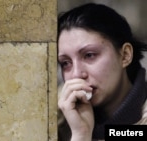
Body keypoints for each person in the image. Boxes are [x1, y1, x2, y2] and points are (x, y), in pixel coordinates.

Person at [57, 3, 147, 141]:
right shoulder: (56, 119)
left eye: (89, 55)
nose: (76, 74)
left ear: (125, 55)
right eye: (65, 63)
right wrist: (81, 134)